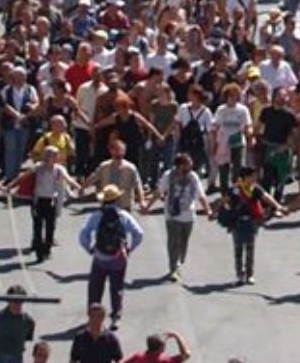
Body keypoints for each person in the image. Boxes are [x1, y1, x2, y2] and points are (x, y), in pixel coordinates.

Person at [77, 186, 144, 327]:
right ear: (117, 199)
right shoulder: (123, 216)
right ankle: (115, 316)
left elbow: (83, 235)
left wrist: (90, 249)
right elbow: (139, 234)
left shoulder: (96, 216)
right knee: (117, 288)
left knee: (95, 288)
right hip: (118, 257)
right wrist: (130, 248)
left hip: (100, 257)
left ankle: (93, 318)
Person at [216, 164, 282, 285]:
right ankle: (240, 274)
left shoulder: (255, 189)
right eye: (253, 176)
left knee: (250, 249)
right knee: (238, 249)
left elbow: (266, 197)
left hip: (252, 222)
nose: (255, 178)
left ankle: (250, 274)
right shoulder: (235, 189)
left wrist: (277, 206)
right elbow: (224, 200)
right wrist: (215, 211)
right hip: (237, 222)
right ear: (246, 177)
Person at [150, 152, 210, 280]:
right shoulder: (168, 176)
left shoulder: (193, 177)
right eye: (188, 165)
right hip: (172, 214)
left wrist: (208, 210)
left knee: (183, 242)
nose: (191, 167)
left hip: (188, 215)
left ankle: (179, 260)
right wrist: (147, 206)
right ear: (180, 165)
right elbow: (158, 192)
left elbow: (201, 195)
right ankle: (173, 268)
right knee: (173, 242)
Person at [0, 286, 36, 363]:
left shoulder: (28, 321)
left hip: (16, 358)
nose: (17, 305)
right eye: (14, 301)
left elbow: (27, 338)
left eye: (20, 302)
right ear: (8, 301)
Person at [122, 332, 189, 363]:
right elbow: (186, 355)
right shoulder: (165, 360)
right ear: (160, 349)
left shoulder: (138, 357)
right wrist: (177, 336)